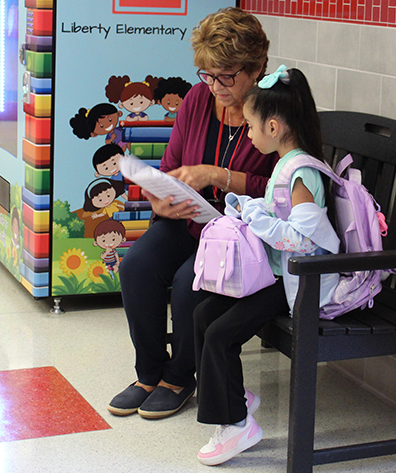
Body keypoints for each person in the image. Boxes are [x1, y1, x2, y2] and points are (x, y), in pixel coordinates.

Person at [108, 7, 277, 420]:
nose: (215, 85)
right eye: (208, 73)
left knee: (189, 282)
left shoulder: (275, 111)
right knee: (138, 267)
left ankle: (180, 377)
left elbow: (279, 190)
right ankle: (149, 372)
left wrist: (218, 176)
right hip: (191, 218)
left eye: (227, 75)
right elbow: (171, 165)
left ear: (256, 68)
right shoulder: (199, 99)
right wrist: (160, 198)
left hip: (242, 235)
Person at [193, 66, 340, 466]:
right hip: (277, 275)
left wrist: (256, 217)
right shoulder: (285, 164)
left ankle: (237, 424)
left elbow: (305, 240)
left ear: (273, 127)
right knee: (204, 314)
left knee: (221, 333)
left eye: (253, 127)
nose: (250, 134)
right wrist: (252, 207)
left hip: (297, 284)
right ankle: (234, 400)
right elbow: (283, 219)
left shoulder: (300, 172)